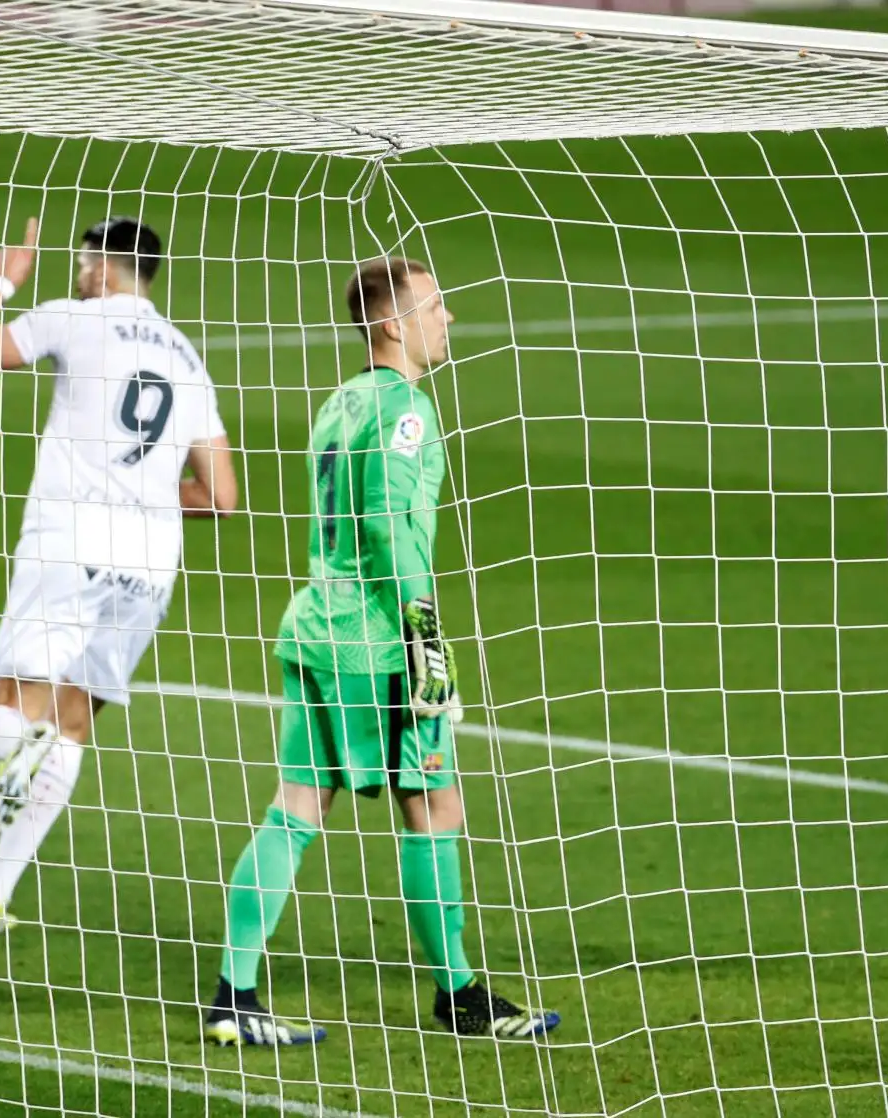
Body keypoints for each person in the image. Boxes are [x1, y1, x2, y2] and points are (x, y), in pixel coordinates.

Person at [202, 258, 559, 1046]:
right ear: (393, 322)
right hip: (375, 643)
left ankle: (235, 994)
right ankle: (460, 996)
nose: (449, 317)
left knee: (296, 806)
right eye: (435, 304)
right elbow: (387, 525)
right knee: (434, 808)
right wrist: (423, 632)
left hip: (315, 625)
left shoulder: (342, 400)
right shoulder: (406, 410)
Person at [0, 216, 236, 933]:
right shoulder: (188, 358)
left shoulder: (73, 317)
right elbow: (222, 496)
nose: (77, 273)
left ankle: (17, 750)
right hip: (152, 561)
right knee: (73, 724)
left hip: (70, 539)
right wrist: (147, 502)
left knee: (9, 705)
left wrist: (3, 277)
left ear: (101, 269)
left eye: (80, 262)